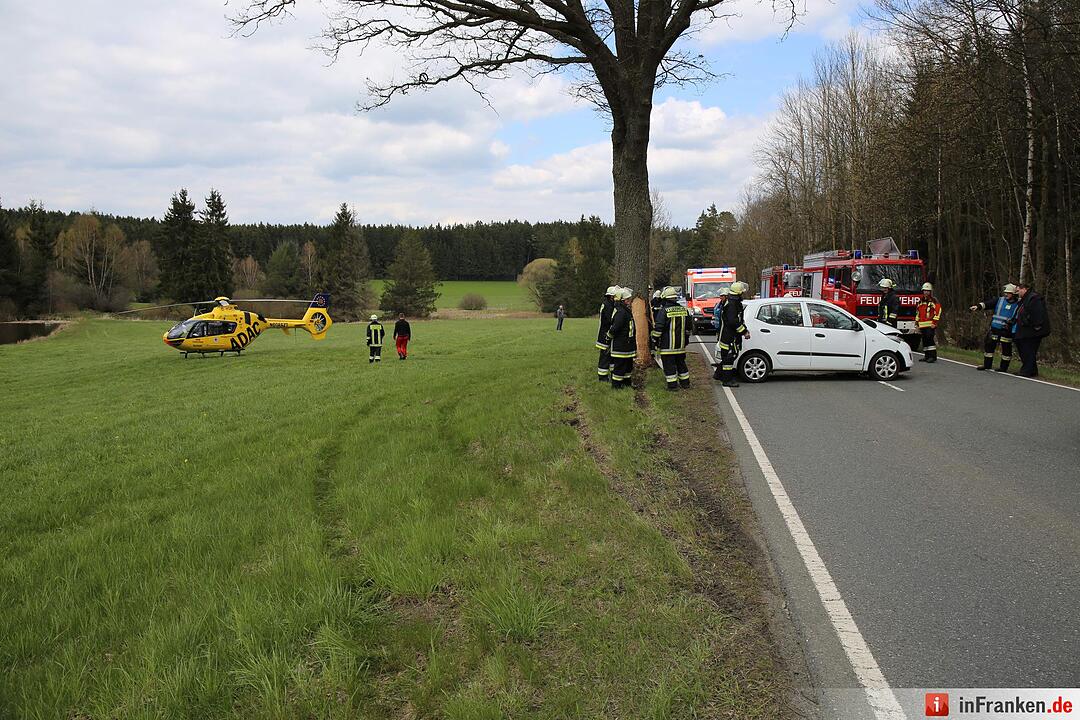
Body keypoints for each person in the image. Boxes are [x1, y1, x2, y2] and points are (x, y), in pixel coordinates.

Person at [969, 283, 1020, 371]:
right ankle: (987, 365)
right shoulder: (1000, 300)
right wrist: (977, 306)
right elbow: (987, 304)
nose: (1006, 294)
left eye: (1008, 293)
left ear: (1014, 294)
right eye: (1005, 293)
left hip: (1007, 331)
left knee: (1006, 349)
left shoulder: (1019, 304)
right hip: (995, 329)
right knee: (989, 346)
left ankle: (1003, 368)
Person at [651, 286, 692, 390]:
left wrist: (654, 340)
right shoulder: (683, 310)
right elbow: (689, 328)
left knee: (669, 366)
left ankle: (672, 386)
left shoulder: (664, 311)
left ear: (665, 298)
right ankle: (685, 383)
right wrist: (686, 340)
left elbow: (658, 328)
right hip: (681, 346)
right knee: (681, 364)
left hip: (667, 346)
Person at [714, 281, 749, 387]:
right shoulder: (732, 304)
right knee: (729, 359)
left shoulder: (733, 302)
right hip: (729, 337)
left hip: (729, 336)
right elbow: (733, 322)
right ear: (738, 293)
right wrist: (744, 332)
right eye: (742, 293)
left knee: (728, 357)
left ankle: (719, 374)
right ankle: (727, 380)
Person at [1012, 283, 1051, 377]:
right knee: (1025, 348)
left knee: (1028, 350)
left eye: (1018, 291)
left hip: (1034, 330)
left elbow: (1038, 314)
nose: (1017, 293)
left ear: (1024, 289)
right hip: (1026, 329)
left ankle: (1026, 371)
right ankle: (1032, 370)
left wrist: (1034, 325)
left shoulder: (1034, 298)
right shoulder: (1025, 299)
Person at [607, 287, 637, 389]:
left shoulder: (625, 311)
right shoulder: (621, 312)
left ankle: (626, 383)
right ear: (623, 301)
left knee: (628, 366)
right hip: (621, 345)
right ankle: (616, 386)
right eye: (628, 300)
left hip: (628, 345)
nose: (629, 302)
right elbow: (615, 328)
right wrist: (608, 337)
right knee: (619, 367)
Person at [595, 286, 618, 381]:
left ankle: (612, 373)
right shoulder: (608, 306)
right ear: (611, 296)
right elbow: (609, 320)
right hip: (606, 334)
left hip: (606, 333)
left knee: (611, 355)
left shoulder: (608, 304)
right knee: (605, 355)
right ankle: (602, 376)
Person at [916, 282, 942, 362]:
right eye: (924, 290)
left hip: (930, 325)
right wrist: (917, 323)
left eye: (928, 291)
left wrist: (934, 323)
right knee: (924, 341)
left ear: (930, 292)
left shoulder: (934, 300)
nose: (926, 292)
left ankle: (932, 357)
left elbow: (938, 311)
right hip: (922, 325)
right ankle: (926, 356)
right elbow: (918, 313)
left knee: (930, 340)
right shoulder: (920, 301)